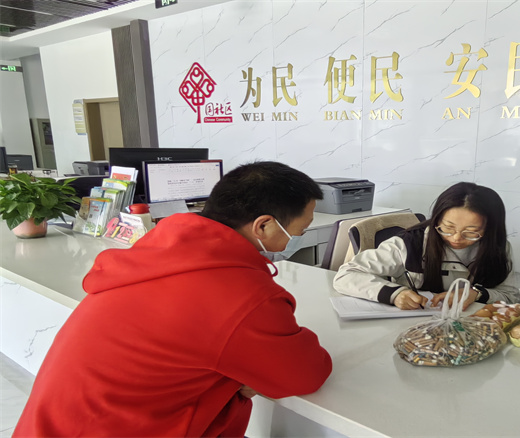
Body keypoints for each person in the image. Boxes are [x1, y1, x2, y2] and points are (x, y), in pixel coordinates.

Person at [14, 162, 332, 437]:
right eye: (299, 232)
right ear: (263, 225)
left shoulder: (157, 252)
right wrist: (241, 375)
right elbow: (305, 373)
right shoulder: (240, 292)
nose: (296, 239)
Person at [333, 182, 520, 310]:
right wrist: (394, 294)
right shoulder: (409, 244)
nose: (456, 238)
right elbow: (346, 275)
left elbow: (512, 297)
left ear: (490, 229)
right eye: (447, 227)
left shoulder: (497, 248)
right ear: (436, 219)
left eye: (471, 232)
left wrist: (476, 294)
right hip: (413, 327)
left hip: (472, 328)